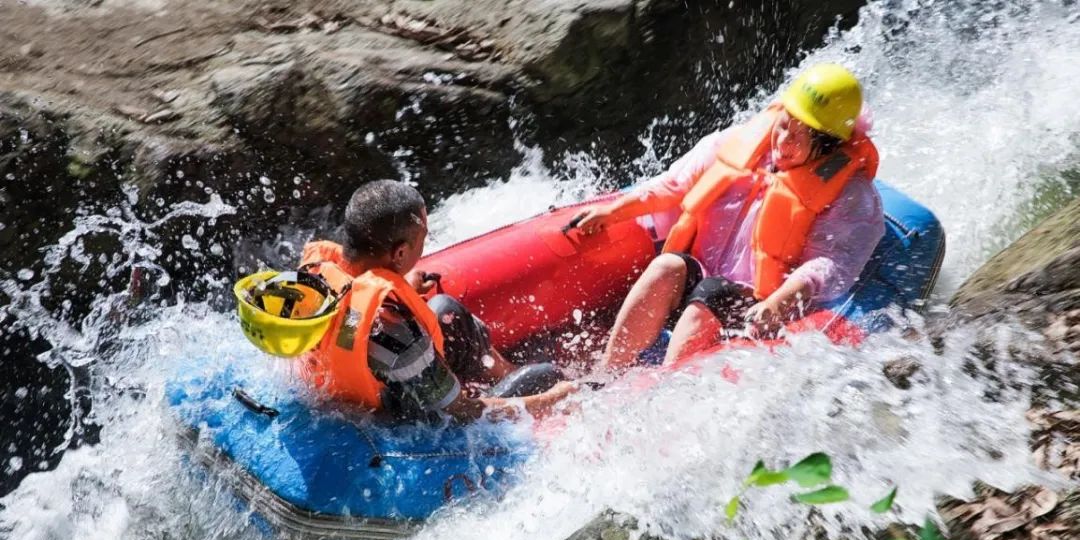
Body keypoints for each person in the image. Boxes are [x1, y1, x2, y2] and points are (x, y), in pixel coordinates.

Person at [574, 64, 885, 369]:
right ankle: (608, 371)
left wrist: (781, 300)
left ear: (827, 146)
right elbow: (674, 184)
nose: (783, 141)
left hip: (757, 304)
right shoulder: (739, 144)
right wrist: (612, 212)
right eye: (784, 124)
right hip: (702, 276)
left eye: (800, 137)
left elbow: (833, 263)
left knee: (714, 292)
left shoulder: (849, 194)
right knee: (668, 265)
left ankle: (660, 387)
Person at [290, 180, 576, 421]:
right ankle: (524, 381)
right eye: (422, 239)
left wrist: (403, 285)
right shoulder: (396, 331)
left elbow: (352, 324)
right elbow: (462, 413)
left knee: (445, 311)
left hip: (355, 386)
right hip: (406, 421)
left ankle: (506, 372)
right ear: (400, 253)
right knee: (546, 376)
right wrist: (549, 400)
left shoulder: (316, 276)